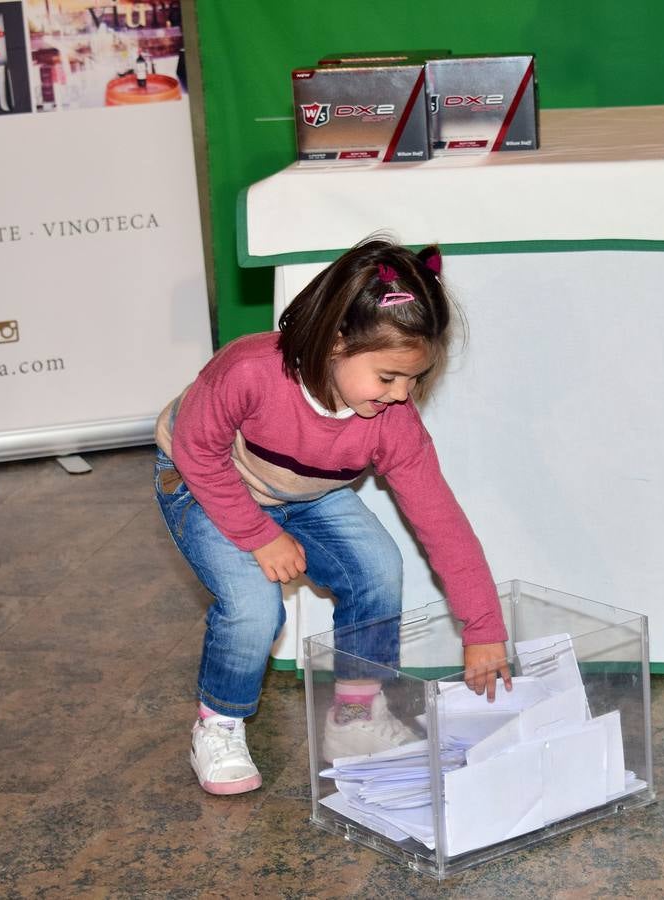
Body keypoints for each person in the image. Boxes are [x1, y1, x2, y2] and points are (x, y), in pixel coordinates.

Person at [154, 237, 512, 796]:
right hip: (207, 477)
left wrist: (484, 627)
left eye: (415, 379)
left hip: (307, 490)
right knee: (252, 606)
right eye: (389, 378)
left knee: (377, 566)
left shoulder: (392, 420)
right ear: (336, 341)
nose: (402, 395)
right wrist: (257, 536)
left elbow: (442, 523)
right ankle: (218, 723)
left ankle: (356, 717)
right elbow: (196, 451)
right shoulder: (250, 369)